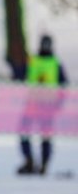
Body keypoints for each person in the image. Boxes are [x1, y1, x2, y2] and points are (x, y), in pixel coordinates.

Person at [17, 34, 69, 175]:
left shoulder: (53, 63)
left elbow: (63, 86)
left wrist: (59, 103)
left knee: (43, 136)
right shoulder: (35, 61)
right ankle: (30, 160)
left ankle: (42, 163)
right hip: (36, 105)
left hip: (44, 106)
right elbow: (20, 75)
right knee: (25, 133)